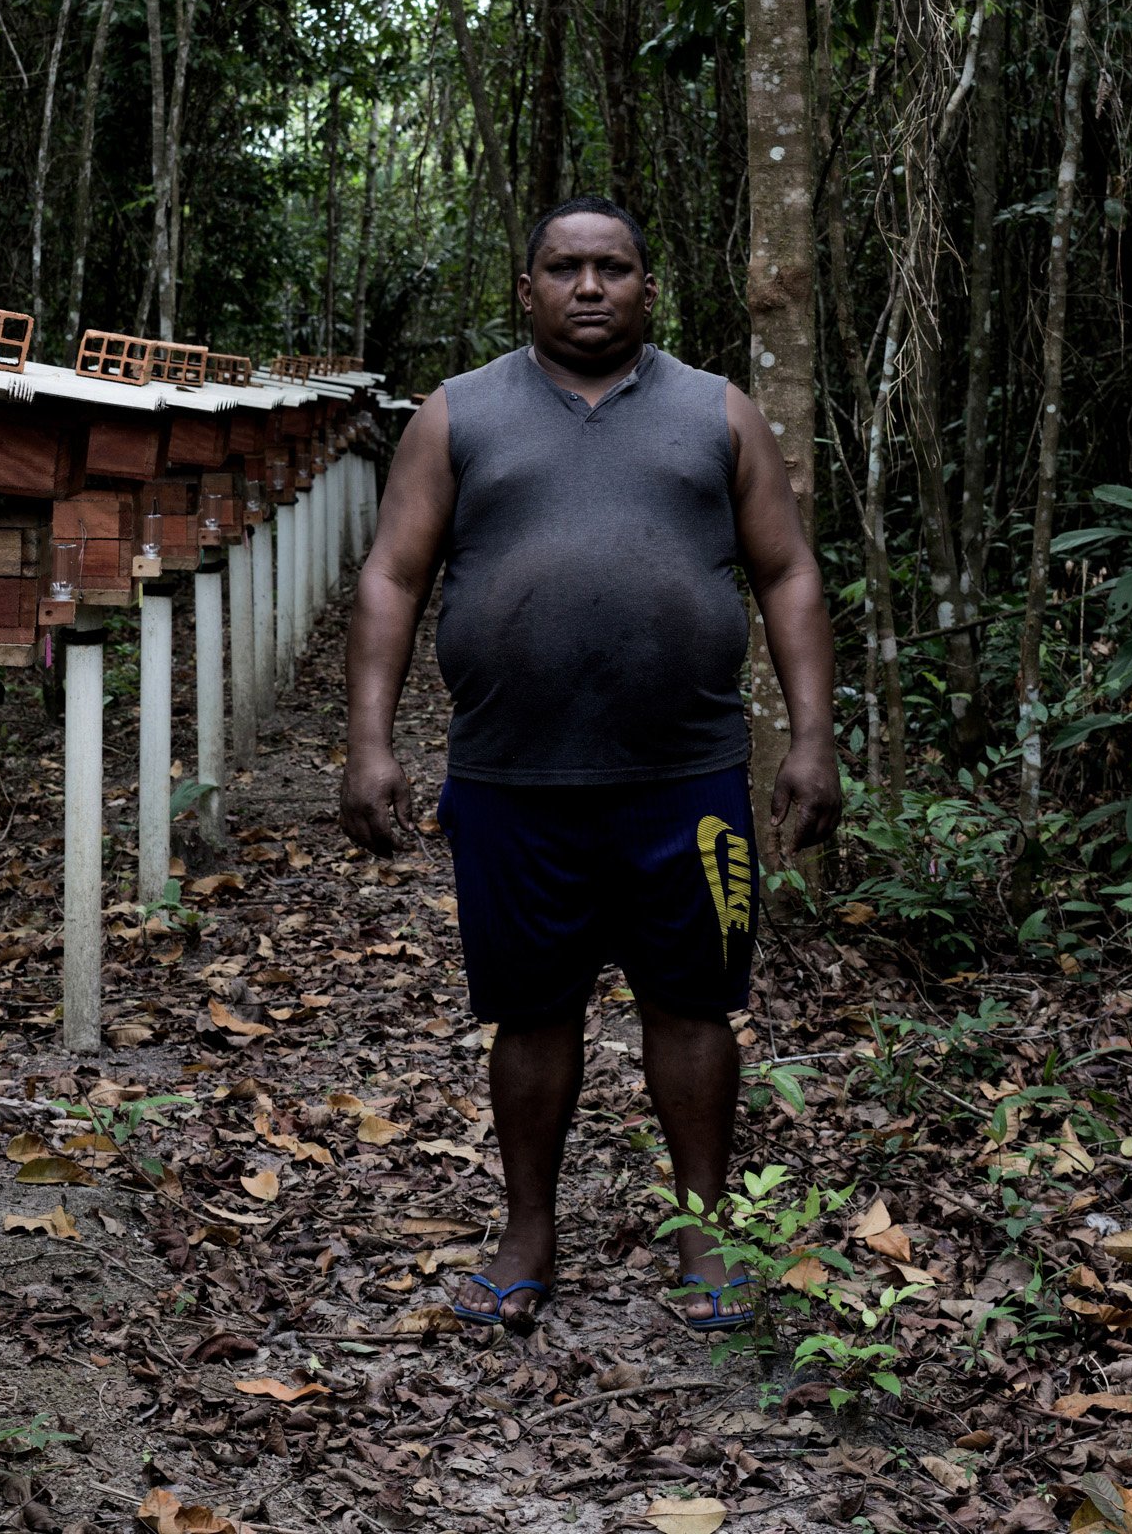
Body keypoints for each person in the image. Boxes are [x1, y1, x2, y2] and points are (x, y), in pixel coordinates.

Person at [340, 195, 840, 1332]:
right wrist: (368, 740)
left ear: (647, 287)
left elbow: (789, 575)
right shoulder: (457, 414)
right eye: (564, 268)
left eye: (614, 267)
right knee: (530, 1012)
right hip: (515, 781)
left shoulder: (718, 414)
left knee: (695, 1005)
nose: (590, 288)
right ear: (527, 290)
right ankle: (528, 1229)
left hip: (690, 781)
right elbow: (392, 578)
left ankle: (704, 1236)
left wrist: (812, 737)